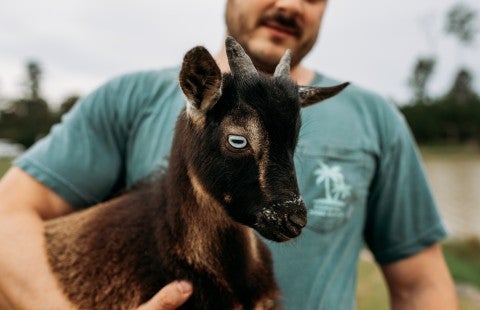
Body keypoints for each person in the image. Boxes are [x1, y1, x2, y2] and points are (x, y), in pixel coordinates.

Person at [0, 0, 458, 309]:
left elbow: (421, 284)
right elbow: (7, 214)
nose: (291, 3)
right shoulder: (128, 98)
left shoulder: (376, 118)